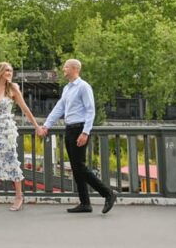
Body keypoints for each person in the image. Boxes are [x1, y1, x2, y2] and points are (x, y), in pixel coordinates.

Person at [37, 59, 117, 214]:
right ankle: (85, 203)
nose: (63, 69)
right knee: (75, 167)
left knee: (79, 166)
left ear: (75, 69)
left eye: (66, 66)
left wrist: (85, 132)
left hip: (79, 128)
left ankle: (108, 193)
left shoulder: (83, 87)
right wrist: (46, 125)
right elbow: (59, 108)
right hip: (70, 129)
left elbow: (90, 110)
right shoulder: (67, 88)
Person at [0, 62, 41, 211]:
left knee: (11, 159)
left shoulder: (13, 88)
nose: (9, 73)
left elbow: (25, 108)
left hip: (7, 130)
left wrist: (36, 126)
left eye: (11, 71)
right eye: (6, 70)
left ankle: (19, 196)